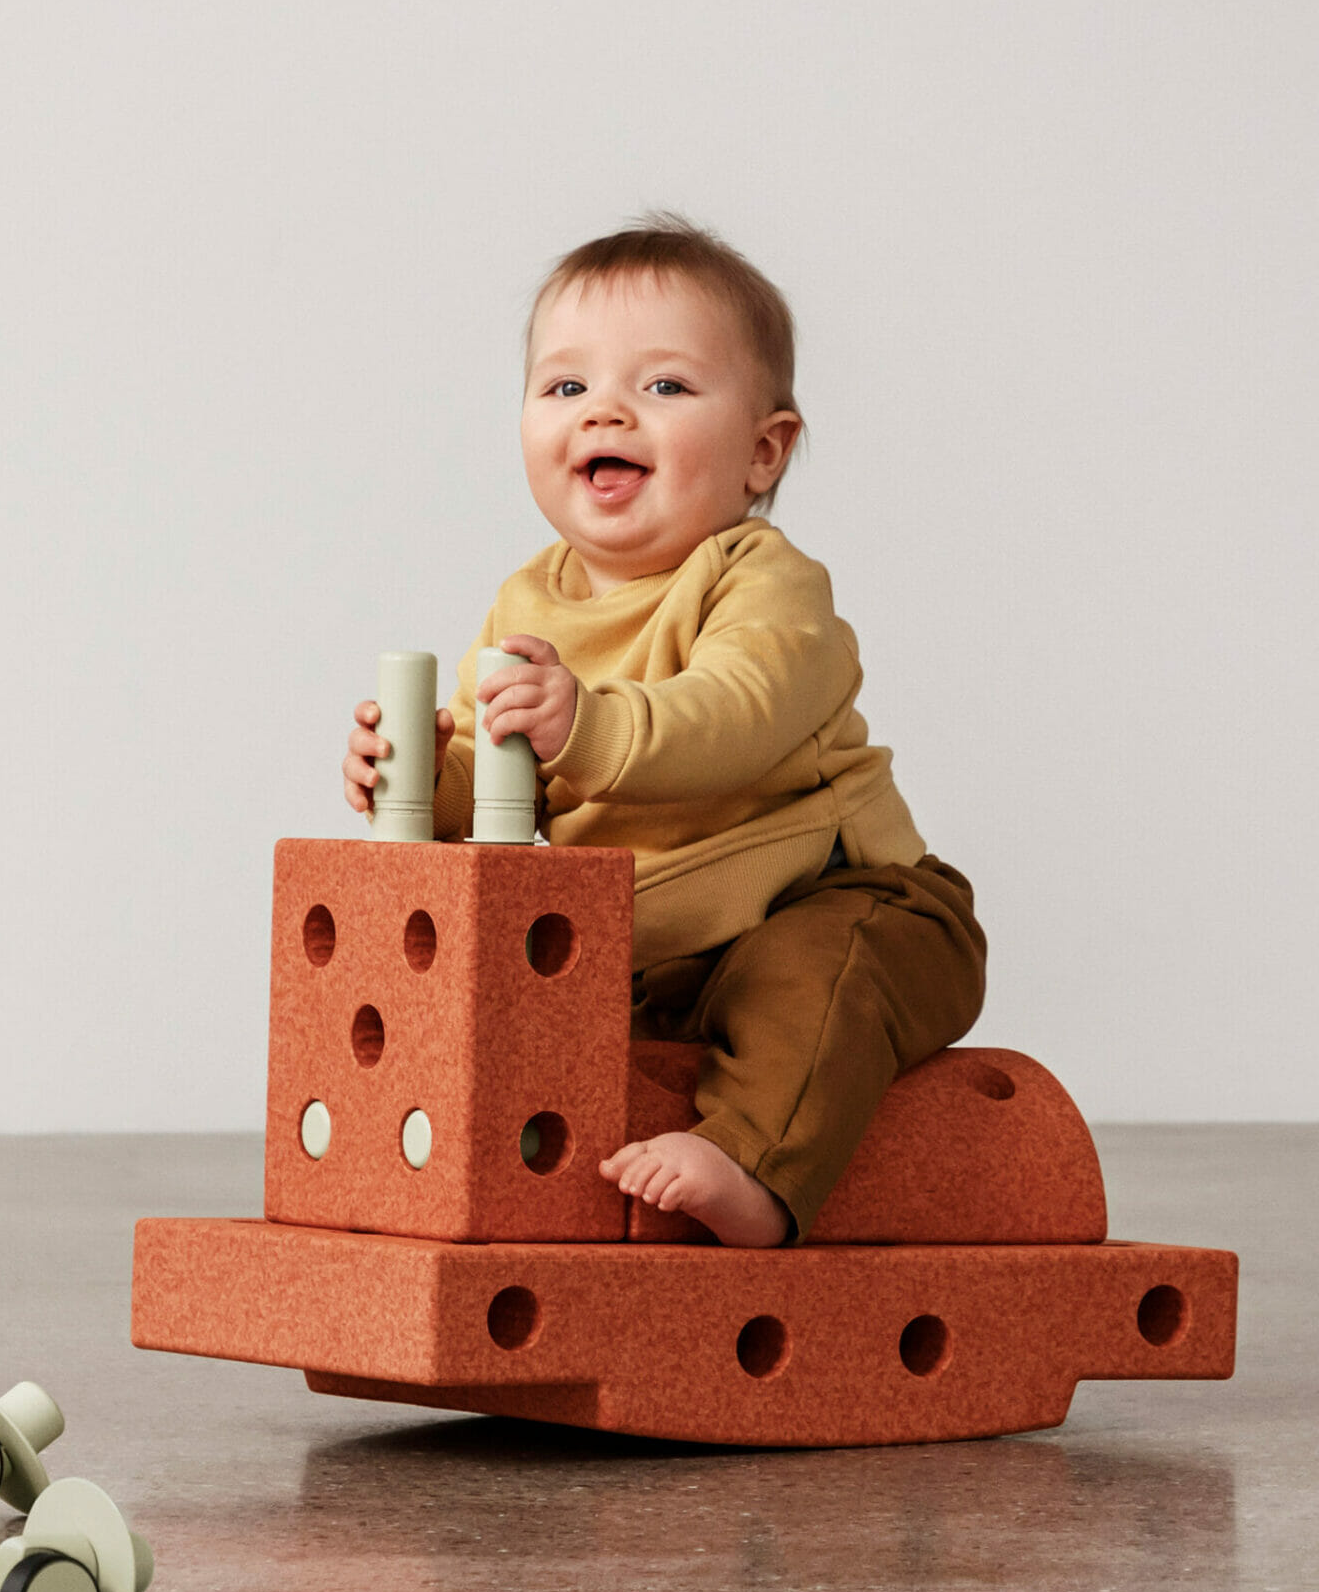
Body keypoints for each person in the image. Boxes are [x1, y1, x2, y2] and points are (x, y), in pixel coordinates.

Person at [340, 215, 985, 1246]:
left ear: (763, 452)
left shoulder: (764, 580)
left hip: (842, 899)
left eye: (666, 386)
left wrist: (587, 728)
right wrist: (414, 774)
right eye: (566, 387)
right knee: (523, 1006)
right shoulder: (526, 604)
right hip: (655, 955)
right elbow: (497, 775)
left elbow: (736, 714)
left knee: (808, 978)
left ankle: (756, 1177)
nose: (605, 411)